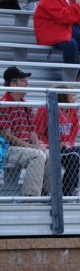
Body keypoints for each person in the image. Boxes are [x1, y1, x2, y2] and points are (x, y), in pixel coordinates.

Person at [0, 67, 48, 197]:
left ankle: (48, 195)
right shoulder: (3, 104)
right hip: (8, 149)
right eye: (23, 80)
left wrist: (37, 144)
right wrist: (32, 147)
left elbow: (32, 130)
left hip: (23, 148)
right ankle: (31, 198)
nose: (27, 83)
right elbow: (6, 135)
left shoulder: (25, 104)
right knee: (37, 156)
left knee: (49, 154)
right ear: (13, 84)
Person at [33, 86, 80, 196]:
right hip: (48, 147)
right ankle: (67, 190)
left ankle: (68, 188)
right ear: (63, 97)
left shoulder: (72, 110)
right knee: (74, 156)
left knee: (78, 153)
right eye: (73, 95)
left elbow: (74, 130)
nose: (76, 97)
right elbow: (38, 133)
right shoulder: (45, 109)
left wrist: (69, 143)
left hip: (64, 148)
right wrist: (55, 144)